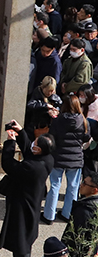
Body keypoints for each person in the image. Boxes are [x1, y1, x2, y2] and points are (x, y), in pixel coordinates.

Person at [0, 124, 54, 257]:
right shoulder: (46, 158)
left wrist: (9, 143)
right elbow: (30, 151)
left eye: (36, 144)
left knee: (21, 237)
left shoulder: (32, 167)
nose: (33, 145)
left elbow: (9, 165)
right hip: (30, 200)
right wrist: (21, 131)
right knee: (24, 235)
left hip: (24, 204)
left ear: (40, 150)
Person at [45, 93, 89, 223]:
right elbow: (86, 137)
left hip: (58, 157)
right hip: (75, 159)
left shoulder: (58, 120)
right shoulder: (83, 120)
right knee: (73, 187)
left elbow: (51, 137)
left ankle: (49, 215)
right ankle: (67, 214)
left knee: (54, 186)